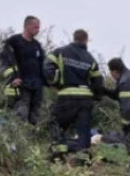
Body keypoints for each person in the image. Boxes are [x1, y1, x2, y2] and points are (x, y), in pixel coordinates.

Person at [43, 29, 105, 161]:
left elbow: (47, 67)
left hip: (66, 95)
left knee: (56, 124)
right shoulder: (90, 58)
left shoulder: (60, 52)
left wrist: (56, 83)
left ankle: (58, 155)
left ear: (74, 38)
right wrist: (97, 97)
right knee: (83, 131)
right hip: (85, 99)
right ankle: (82, 160)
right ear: (86, 40)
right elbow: (98, 81)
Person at [0, 15, 45, 125]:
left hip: (36, 86)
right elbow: (4, 61)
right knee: (21, 115)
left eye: (38, 27)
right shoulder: (13, 42)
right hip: (21, 85)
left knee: (35, 117)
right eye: (36, 27)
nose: (38, 30)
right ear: (27, 26)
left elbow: (42, 64)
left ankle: (32, 139)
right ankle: (19, 139)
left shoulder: (37, 45)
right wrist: (12, 78)